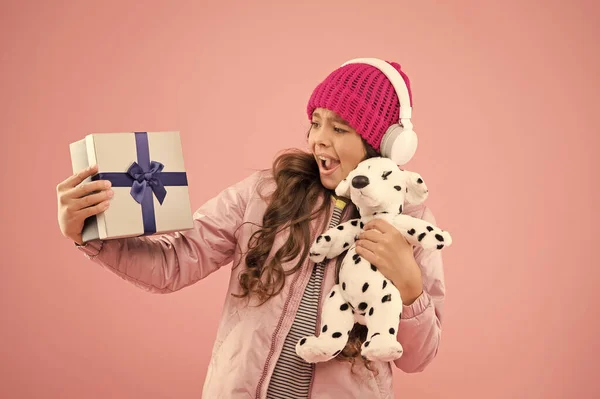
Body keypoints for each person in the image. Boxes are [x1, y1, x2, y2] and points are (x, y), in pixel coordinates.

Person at [56, 57, 446, 399]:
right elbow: (174, 262)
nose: (318, 140)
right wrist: (89, 234)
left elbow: (418, 357)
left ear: (386, 145)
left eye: (339, 129)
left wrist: (410, 285)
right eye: (315, 123)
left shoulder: (412, 225)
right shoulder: (264, 193)